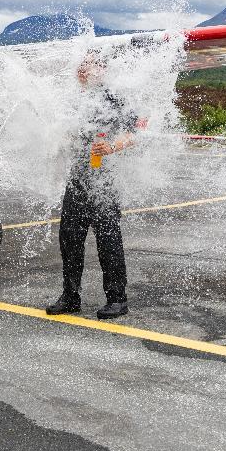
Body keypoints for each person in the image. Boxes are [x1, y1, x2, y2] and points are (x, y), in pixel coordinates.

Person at [45, 52, 140, 320]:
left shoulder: (114, 98)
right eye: (80, 66)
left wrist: (111, 146)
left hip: (105, 180)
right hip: (78, 178)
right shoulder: (76, 100)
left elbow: (134, 134)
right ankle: (71, 296)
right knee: (69, 238)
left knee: (108, 239)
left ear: (101, 70)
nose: (82, 70)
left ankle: (117, 299)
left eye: (88, 65)